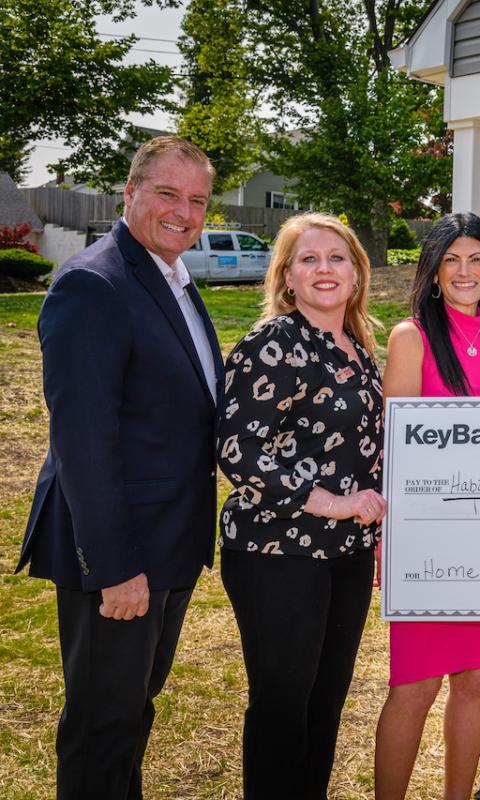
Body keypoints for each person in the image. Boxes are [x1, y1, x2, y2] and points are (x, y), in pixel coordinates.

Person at [17, 136, 223, 799]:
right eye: (167, 193)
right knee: (103, 728)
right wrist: (114, 568)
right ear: (128, 193)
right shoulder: (94, 282)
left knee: (132, 714)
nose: (184, 212)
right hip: (117, 556)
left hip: (168, 546)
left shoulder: (173, 280)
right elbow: (83, 440)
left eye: (197, 200)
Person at [216, 212, 387, 798]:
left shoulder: (359, 346)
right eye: (308, 259)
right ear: (287, 277)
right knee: (284, 704)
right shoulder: (272, 343)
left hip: (347, 553)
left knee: (326, 699)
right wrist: (333, 504)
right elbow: (238, 451)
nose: (324, 269)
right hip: (277, 551)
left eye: (336, 258)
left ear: (357, 273)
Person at [375, 212, 480, 800]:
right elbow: (396, 447)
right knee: (413, 685)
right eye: (451, 260)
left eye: (477, 260)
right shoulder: (410, 336)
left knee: (477, 680)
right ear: (434, 273)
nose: (464, 271)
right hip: (428, 538)